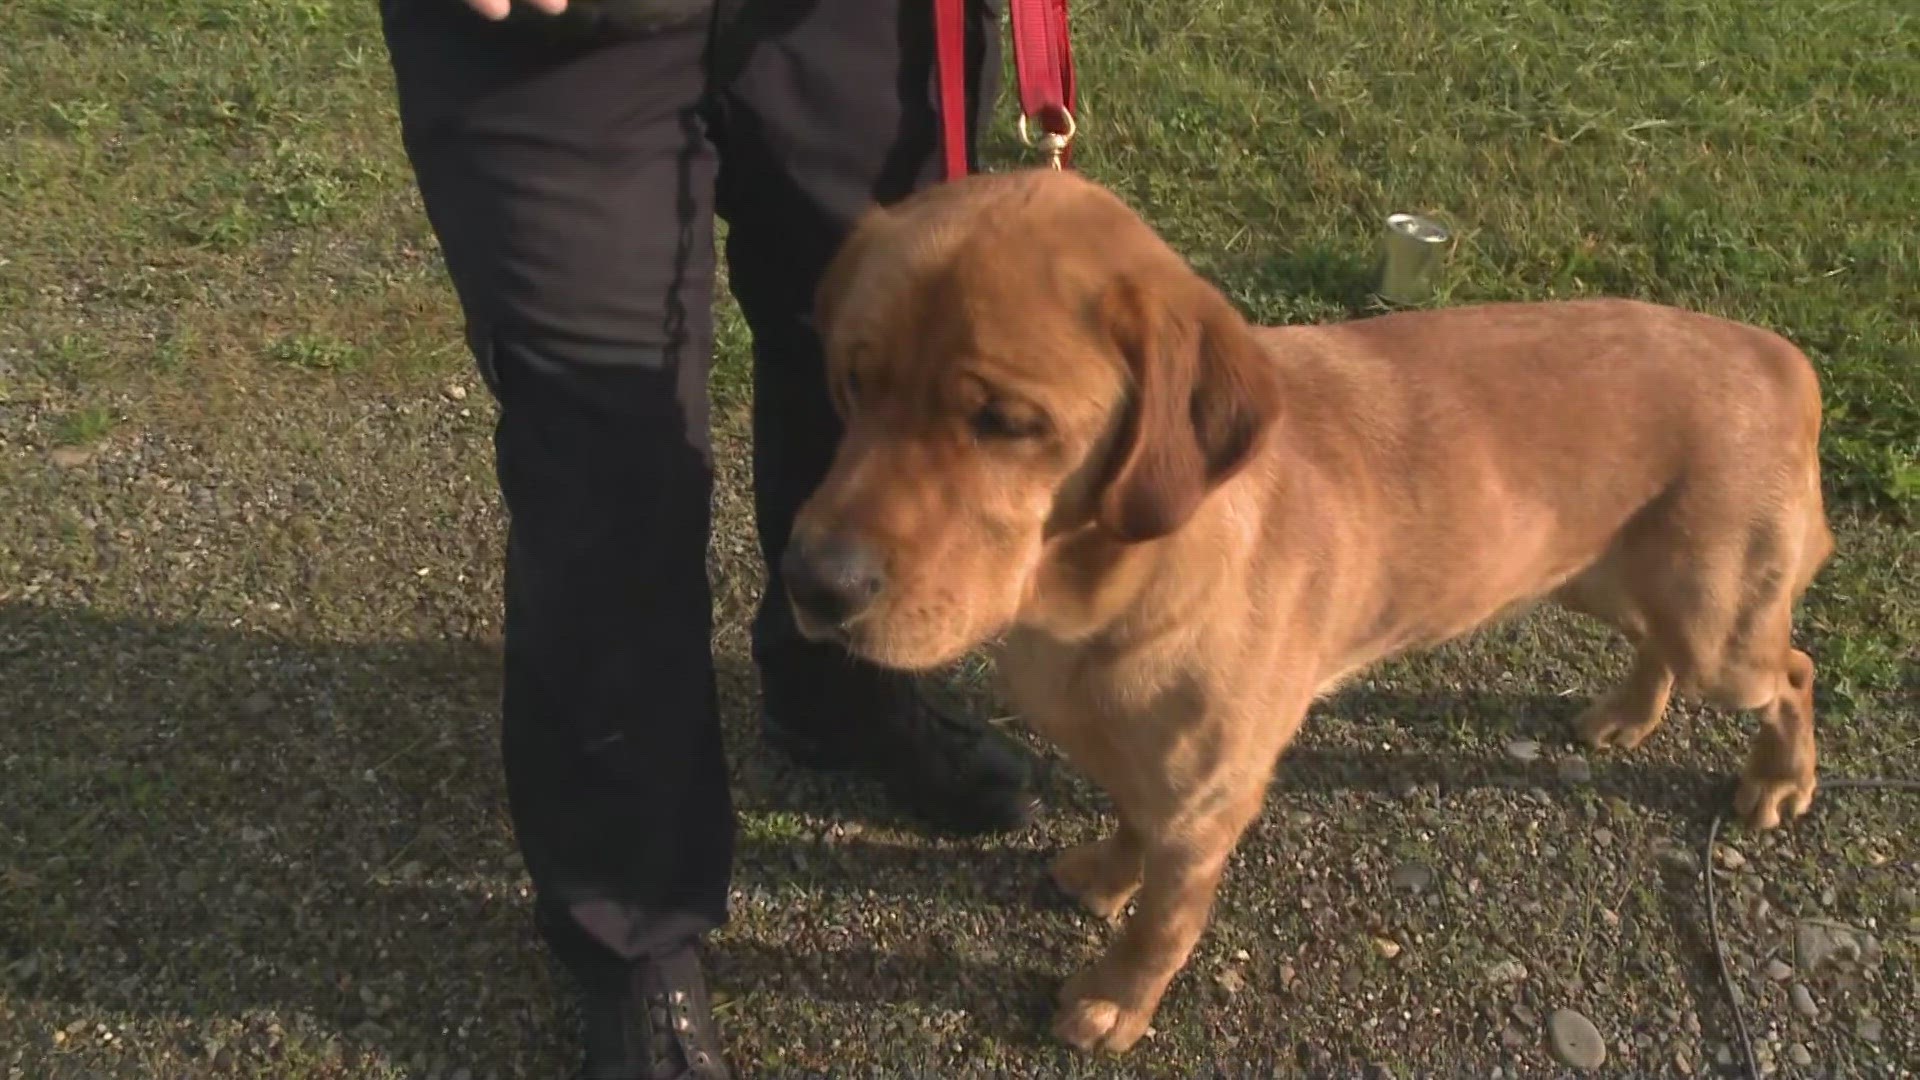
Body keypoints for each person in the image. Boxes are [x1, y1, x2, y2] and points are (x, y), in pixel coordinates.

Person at [376, 0, 1037, 1076]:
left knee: (875, 368)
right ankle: (633, 928)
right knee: (610, 471)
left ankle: (838, 692)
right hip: (545, 40)